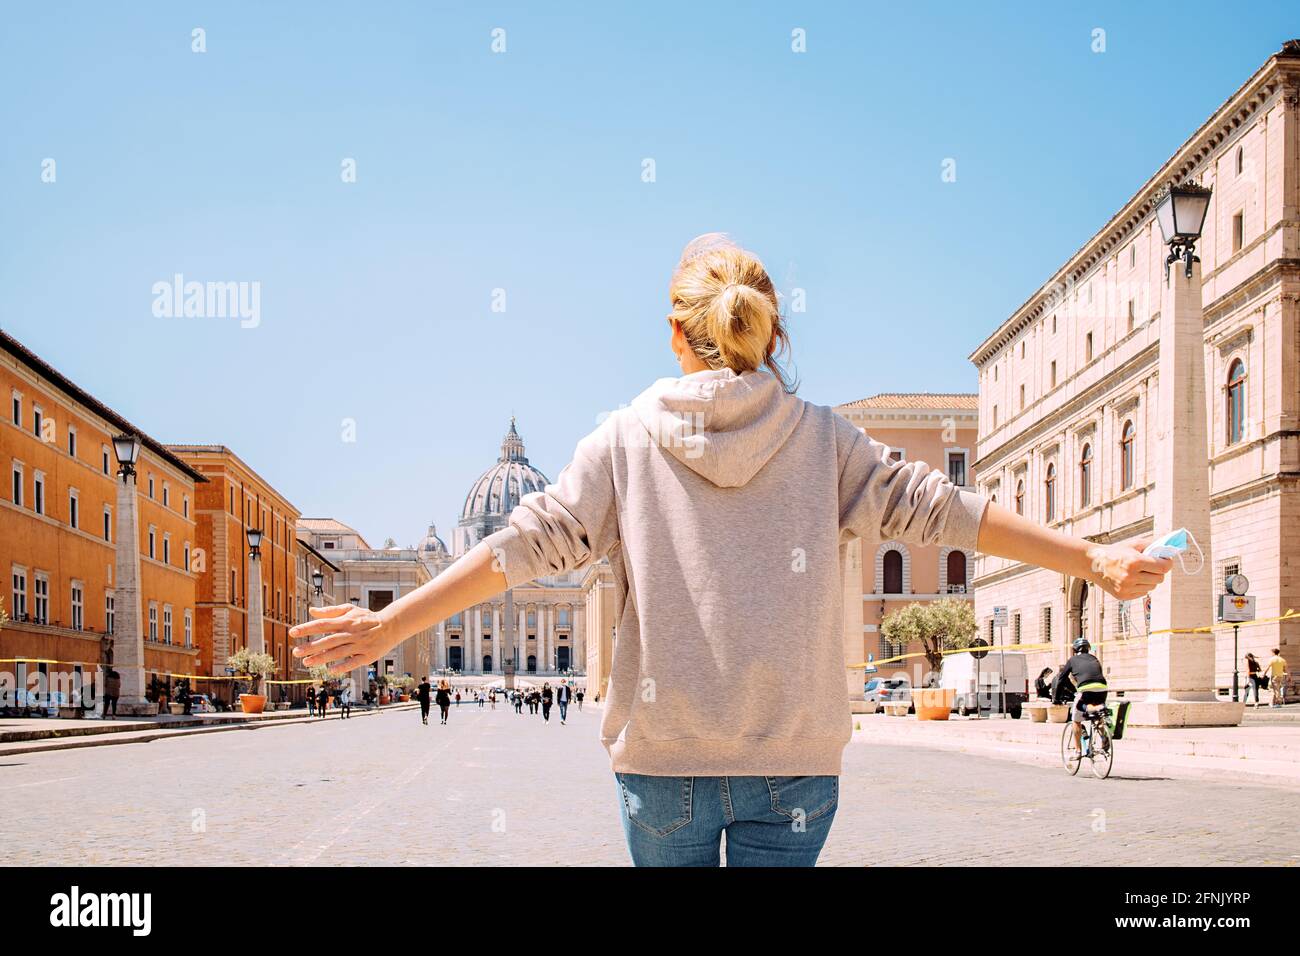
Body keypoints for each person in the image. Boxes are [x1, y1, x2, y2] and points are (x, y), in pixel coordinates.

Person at [291, 233, 1172, 867]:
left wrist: (388, 626)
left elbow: (521, 548)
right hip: (792, 764)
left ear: (677, 333)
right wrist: (1090, 558)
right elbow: (947, 511)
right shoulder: (829, 442)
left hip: (663, 761)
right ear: (769, 337)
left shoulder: (622, 440)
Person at [1053, 638, 1108, 755]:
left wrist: (1056, 699)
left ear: (1074, 650)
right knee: (1097, 716)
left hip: (1086, 688)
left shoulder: (1072, 660)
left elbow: (1061, 679)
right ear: (1088, 649)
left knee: (1076, 719)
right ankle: (1104, 737)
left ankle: (1078, 751)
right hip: (1102, 688)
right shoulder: (1094, 658)